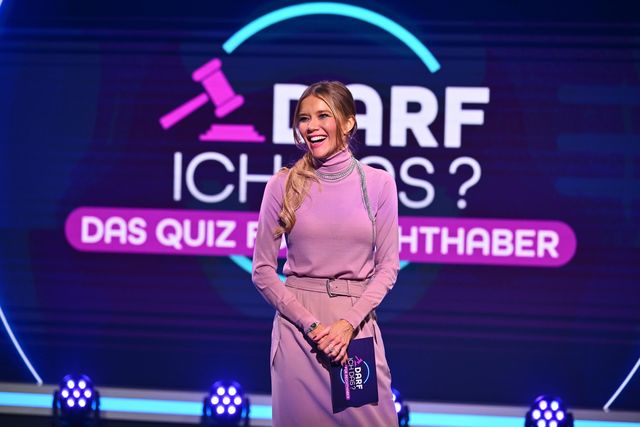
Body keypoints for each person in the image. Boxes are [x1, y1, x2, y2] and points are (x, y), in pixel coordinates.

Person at [252, 81, 399, 426]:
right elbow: (262, 271)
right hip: (298, 329)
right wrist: (311, 326)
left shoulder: (378, 183)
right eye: (304, 118)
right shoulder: (282, 185)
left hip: (354, 326)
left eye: (323, 116)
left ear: (348, 122)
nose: (311, 126)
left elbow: (388, 267)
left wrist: (347, 324)